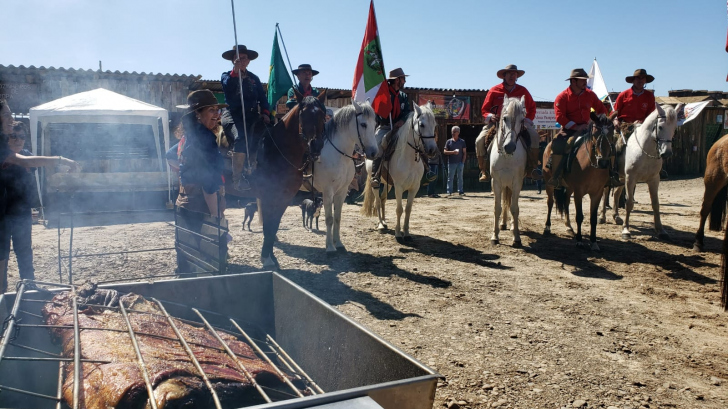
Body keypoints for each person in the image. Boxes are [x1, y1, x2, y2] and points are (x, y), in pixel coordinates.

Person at [0, 100, 78, 293]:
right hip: (2, 215)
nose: (18, 140)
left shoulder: (20, 152)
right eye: (7, 114)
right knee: (2, 257)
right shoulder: (5, 152)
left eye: (21, 137)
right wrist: (60, 159)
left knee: (23, 252)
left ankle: (29, 288)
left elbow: (32, 164)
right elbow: (25, 161)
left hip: (20, 213)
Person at [548, 68, 619, 188]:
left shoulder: (590, 95)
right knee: (558, 144)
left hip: (589, 128)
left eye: (586, 80)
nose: (585, 82)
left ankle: (611, 175)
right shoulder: (562, 97)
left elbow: (601, 109)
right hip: (569, 129)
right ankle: (556, 177)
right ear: (573, 82)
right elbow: (560, 117)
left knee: (609, 144)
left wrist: (599, 121)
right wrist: (575, 126)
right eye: (582, 80)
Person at [370, 68, 436, 188]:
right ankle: (376, 175)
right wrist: (386, 115)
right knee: (379, 145)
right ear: (396, 80)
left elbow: (406, 112)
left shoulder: (403, 96)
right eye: (403, 79)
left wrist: (401, 121)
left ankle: (428, 170)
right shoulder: (384, 94)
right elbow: (378, 112)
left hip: (401, 127)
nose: (404, 81)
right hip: (386, 127)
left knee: (418, 141)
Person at [475, 64, 540, 182]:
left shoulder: (523, 90)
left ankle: (533, 168)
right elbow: (484, 109)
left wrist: (527, 120)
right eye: (509, 73)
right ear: (504, 76)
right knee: (479, 140)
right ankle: (484, 170)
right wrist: (490, 116)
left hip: (518, 124)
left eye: (514, 74)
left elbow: (532, 108)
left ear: (517, 77)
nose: (512, 76)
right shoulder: (494, 90)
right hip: (496, 123)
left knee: (534, 136)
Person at [220, 45, 271, 192]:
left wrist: (266, 113)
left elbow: (262, 98)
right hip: (233, 115)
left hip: (252, 115)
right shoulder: (226, 75)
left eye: (244, 58)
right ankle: (237, 179)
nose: (241, 60)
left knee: (270, 134)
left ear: (248, 61)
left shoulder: (254, 79)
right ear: (233, 60)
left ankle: (260, 169)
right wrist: (236, 71)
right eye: (238, 58)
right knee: (241, 137)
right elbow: (228, 86)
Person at [175, 90, 228, 219]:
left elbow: (170, 154)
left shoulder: (188, 135)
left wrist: (184, 178)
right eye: (211, 110)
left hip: (184, 202)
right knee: (213, 237)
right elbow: (208, 179)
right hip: (202, 206)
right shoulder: (205, 136)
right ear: (197, 114)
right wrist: (215, 214)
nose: (217, 114)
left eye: (217, 110)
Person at [444, 126, 467, 196]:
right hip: (451, 162)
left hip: (460, 162)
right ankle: (449, 191)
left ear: (458, 133)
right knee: (450, 178)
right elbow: (445, 152)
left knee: (460, 177)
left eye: (454, 132)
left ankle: (460, 191)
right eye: (452, 132)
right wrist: (453, 152)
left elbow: (464, 152)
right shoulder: (448, 142)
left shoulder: (462, 142)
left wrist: (462, 162)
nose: (452, 133)